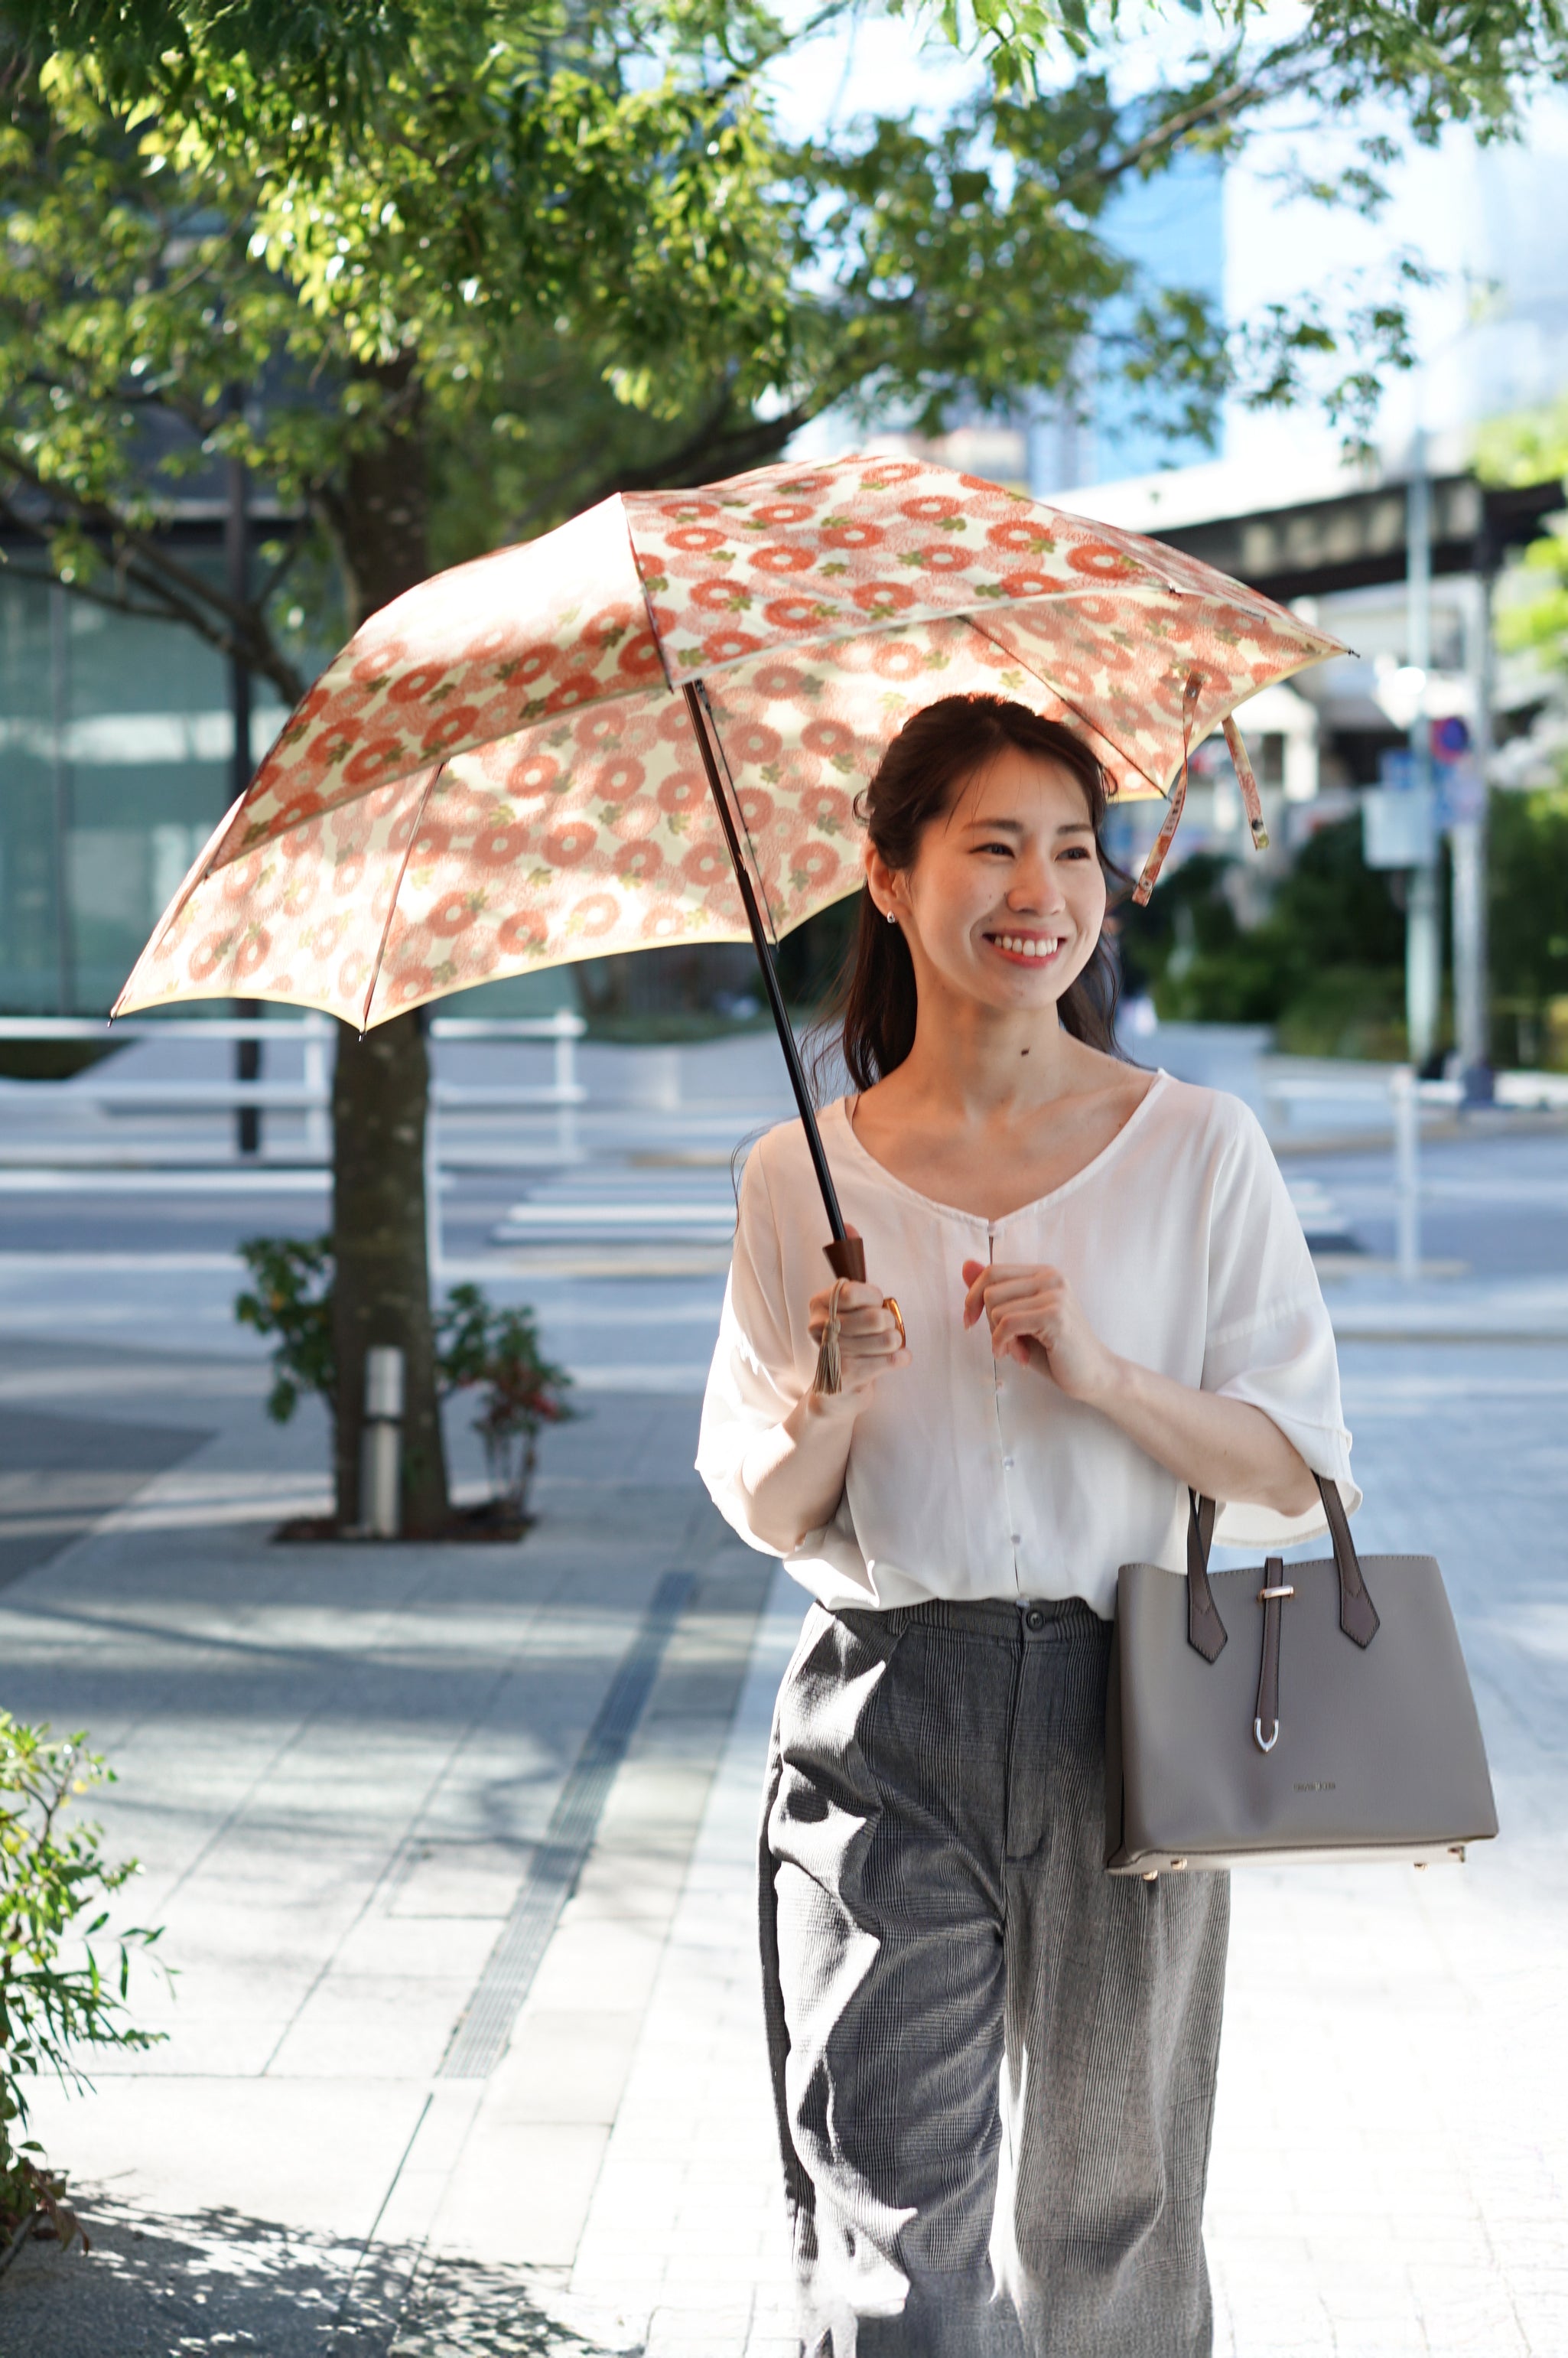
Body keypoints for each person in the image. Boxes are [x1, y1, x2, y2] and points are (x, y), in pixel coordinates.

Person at [696, 693, 1358, 2358]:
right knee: (880, 2233)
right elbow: (770, 1511)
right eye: (989, 842)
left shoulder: (1199, 1149)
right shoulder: (797, 1177)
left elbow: (1291, 1468)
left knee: (1113, 2224)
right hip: (878, 1717)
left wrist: (1102, 1371)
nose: (1037, 888)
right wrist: (835, 1397)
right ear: (889, 875)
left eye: (1069, 847)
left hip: (1125, 1713)